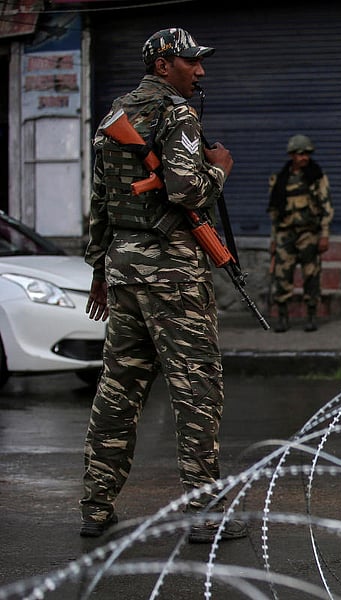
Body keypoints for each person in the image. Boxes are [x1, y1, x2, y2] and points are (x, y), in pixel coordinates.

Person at [80, 27, 247, 543]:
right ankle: (205, 513)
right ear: (162, 65)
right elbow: (185, 189)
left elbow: (102, 203)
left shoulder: (116, 115)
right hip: (171, 271)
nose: (199, 71)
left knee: (119, 388)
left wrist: (100, 271)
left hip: (125, 267)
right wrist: (219, 171)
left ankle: (94, 507)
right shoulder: (177, 114)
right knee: (196, 387)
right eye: (190, 63)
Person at [267, 133, 334, 333]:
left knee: (311, 275)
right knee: (282, 276)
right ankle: (283, 317)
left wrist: (324, 234)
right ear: (291, 155)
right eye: (299, 153)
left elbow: (326, 208)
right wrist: (273, 239)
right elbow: (274, 211)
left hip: (309, 233)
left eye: (306, 153)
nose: (303, 157)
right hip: (285, 234)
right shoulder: (280, 179)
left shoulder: (316, 177)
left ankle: (311, 315)